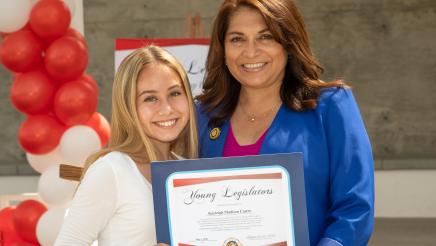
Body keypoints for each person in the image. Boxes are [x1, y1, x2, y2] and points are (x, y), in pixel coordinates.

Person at [196, 0, 374, 245]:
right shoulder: (202, 116)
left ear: (288, 43)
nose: (250, 51)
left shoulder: (331, 107)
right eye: (237, 39)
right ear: (223, 48)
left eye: (266, 37)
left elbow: (355, 209)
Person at [55, 45, 198, 245]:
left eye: (175, 93)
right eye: (150, 98)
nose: (166, 108)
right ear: (128, 107)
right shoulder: (111, 170)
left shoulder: (188, 171)